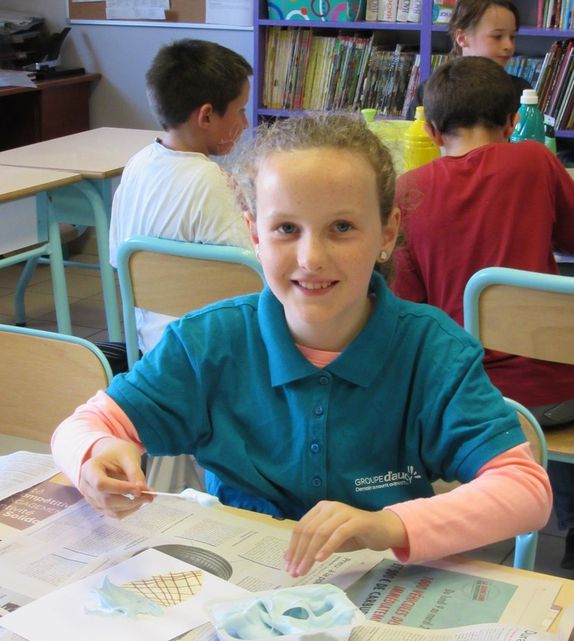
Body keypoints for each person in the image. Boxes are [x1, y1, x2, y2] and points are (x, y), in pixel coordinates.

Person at [51, 112, 551, 578]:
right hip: (238, 581)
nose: (312, 258)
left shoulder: (432, 350)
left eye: (342, 228)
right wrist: (98, 453)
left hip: (375, 583)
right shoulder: (208, 342)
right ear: (255, 235)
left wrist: (389, 525)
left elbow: (524, 489)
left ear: (387, 232)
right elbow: (84, 426)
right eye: (287, 229)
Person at [392, 56, 574, 568]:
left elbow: (408, 308)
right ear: (513, 121)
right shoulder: (535, 161)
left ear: (429, 129)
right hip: (558, 399)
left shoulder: (409, 191)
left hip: (465, 406)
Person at [109, 38, 254, 354]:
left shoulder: (136, 165)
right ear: (206, 116)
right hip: (207, 351)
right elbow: (252, 279)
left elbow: (117, 261)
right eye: (241, 110)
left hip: (149, 349)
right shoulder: (211, 181)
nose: (246, 122)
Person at [406, 0, 530, 119]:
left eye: (512, 37)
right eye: (497, 36)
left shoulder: (521, 92)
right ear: (462, 38)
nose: (509, 45)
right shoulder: (431, 91)